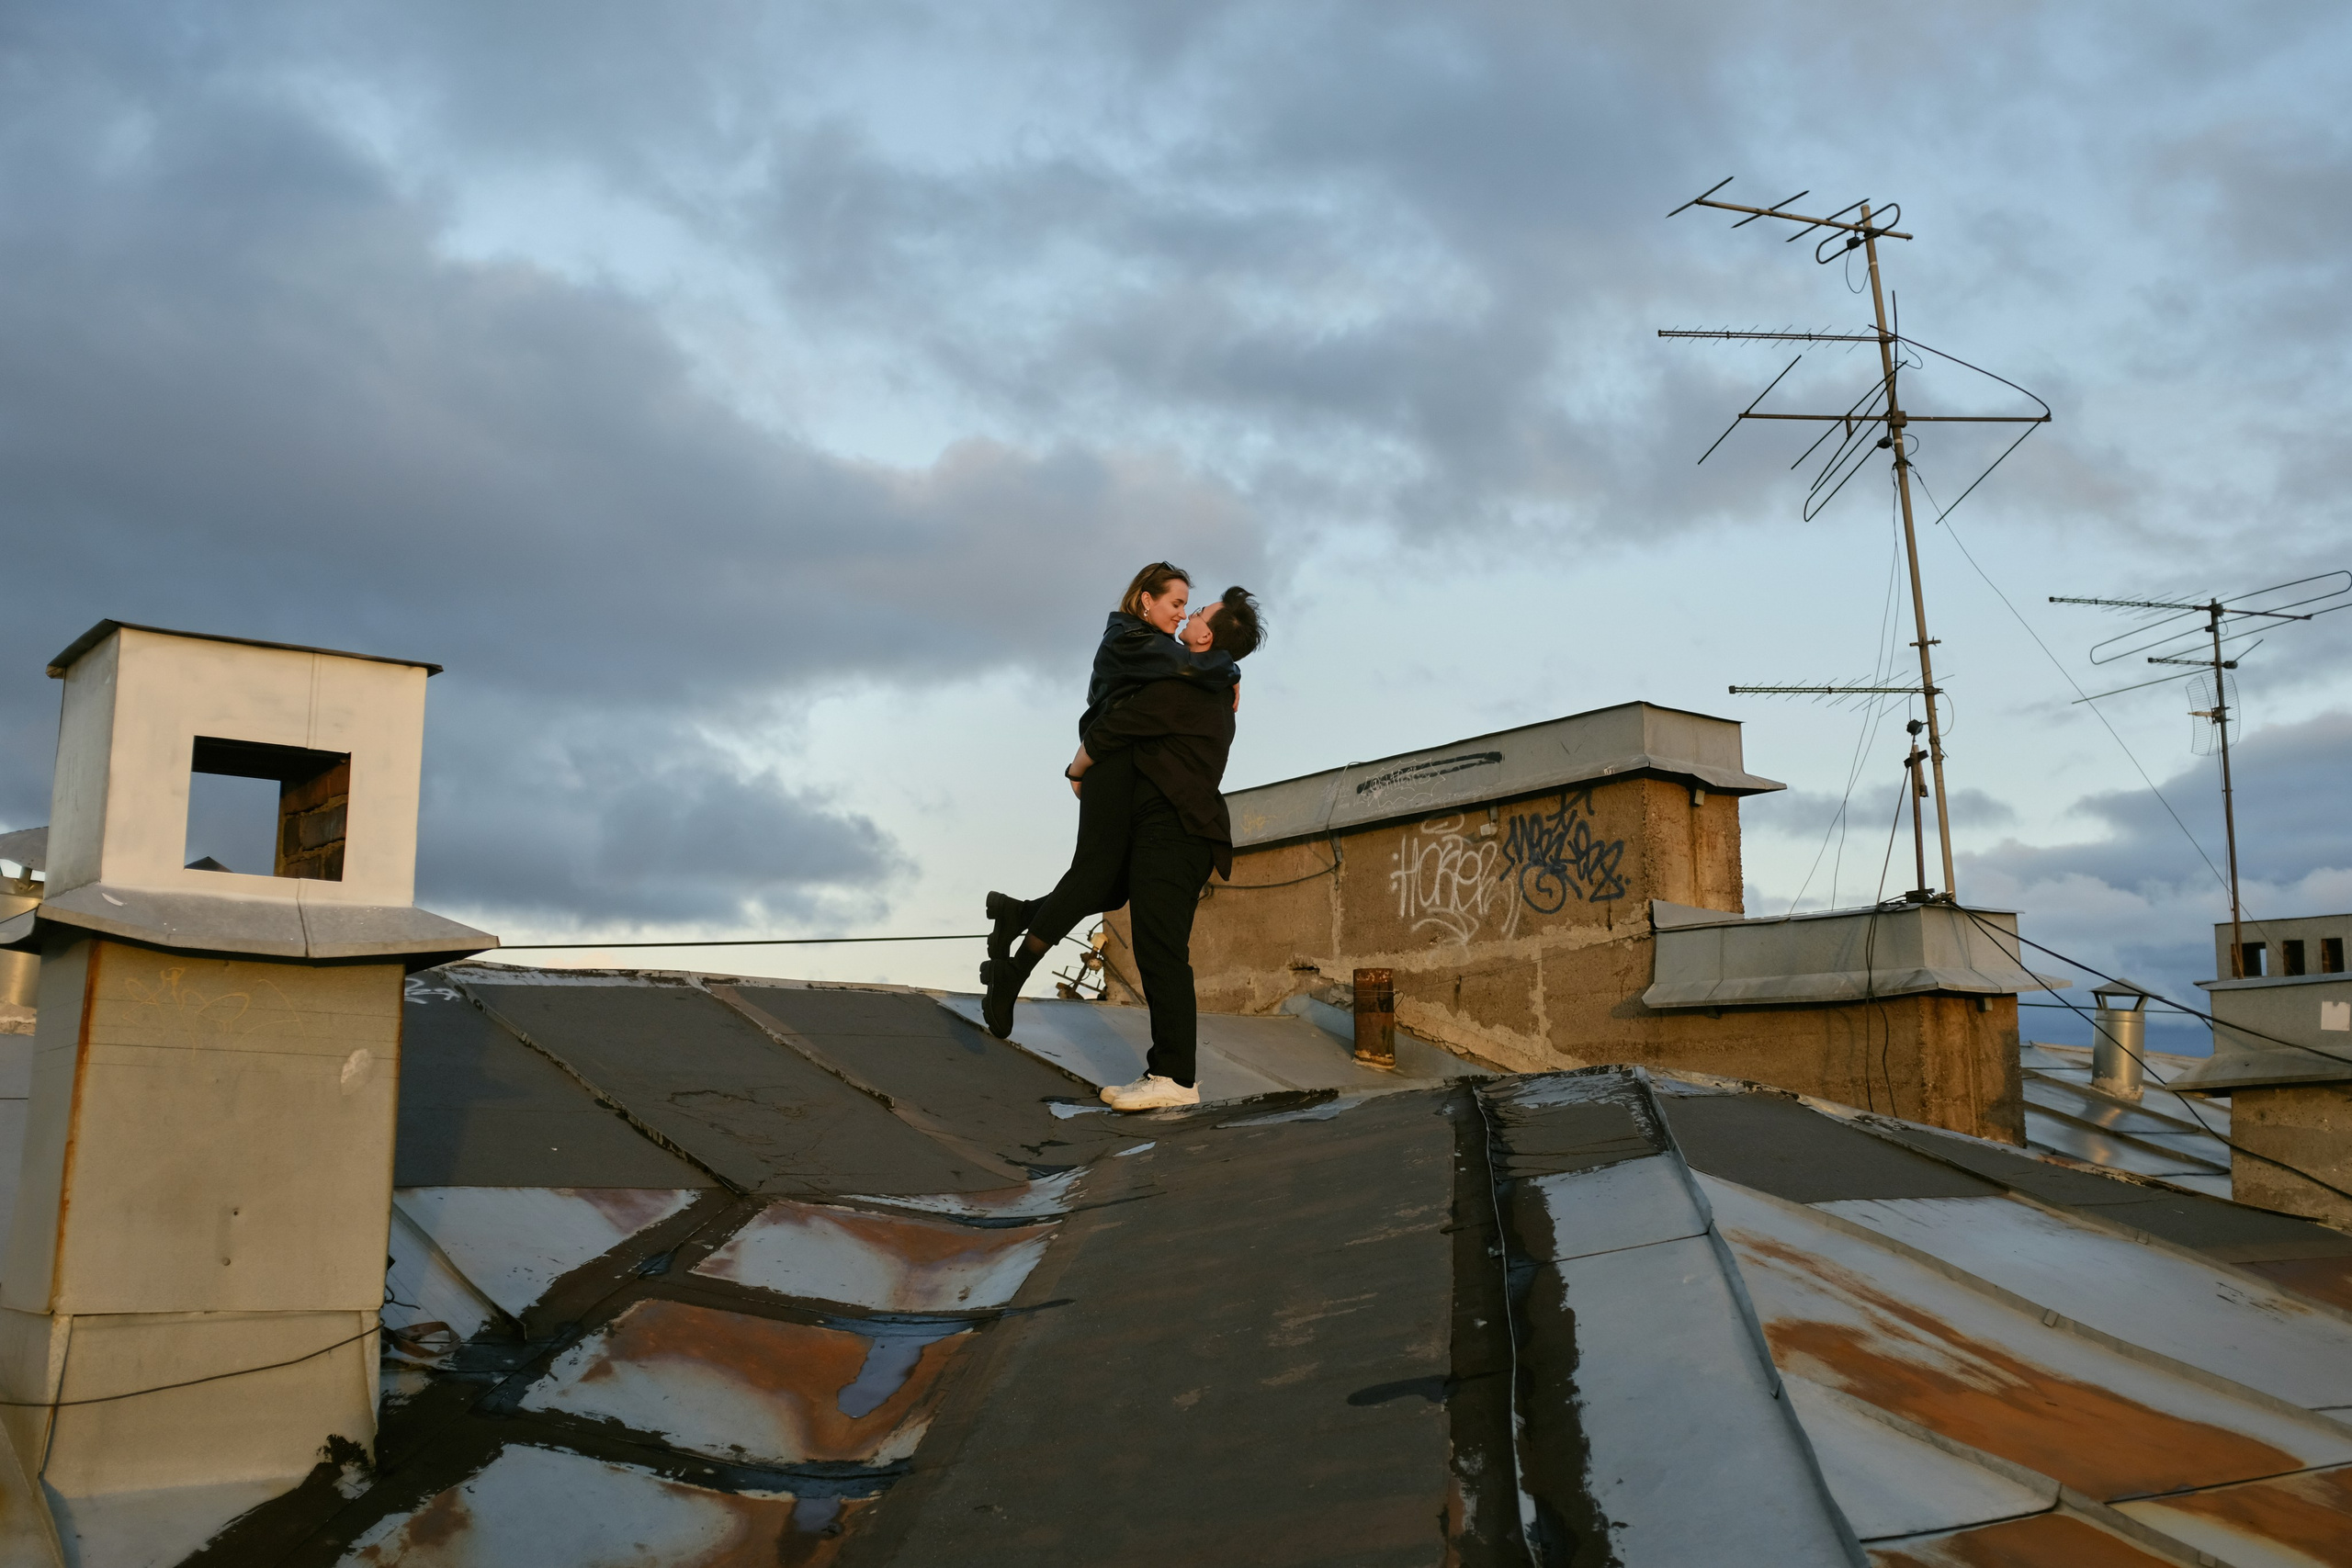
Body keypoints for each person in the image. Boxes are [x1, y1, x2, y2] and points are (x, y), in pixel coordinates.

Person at [979, 563, 1237, 1032]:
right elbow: (1186, 666)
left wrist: (1221, 670)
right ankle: (1012, 972)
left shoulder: (1150, 644)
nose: (1181, 615)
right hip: (1111, 764)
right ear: (1145, 600)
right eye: (1176, 604)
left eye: (1187, 607)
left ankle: (1015, 914)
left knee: (1111, 885)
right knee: (1094, 875)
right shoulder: (1131, 639)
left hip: (1121, 767)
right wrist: (1228, 667)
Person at [1071, 584, 1263, 1110]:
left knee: (1161, 952)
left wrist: (1076, 767)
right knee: (1160, 949)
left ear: (1204, 634)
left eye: (1197, 612)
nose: (1188, 616)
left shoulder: (1187, 686)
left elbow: (1118, 725)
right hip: (1177, 830)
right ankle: (1171, 1075)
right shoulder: (1209, 681)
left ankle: (1174, 1079)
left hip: (1177, 831)